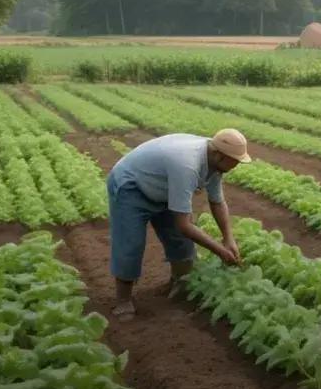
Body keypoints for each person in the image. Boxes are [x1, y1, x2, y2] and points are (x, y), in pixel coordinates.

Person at [107, 129, 251, 320]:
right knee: (131, 242)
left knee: (180, 241)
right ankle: (123, 300)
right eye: (235, 161)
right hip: (131, 184)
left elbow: (217, 202)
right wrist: (220, 251)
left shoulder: (215, 161)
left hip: (162, 186)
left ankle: (178, 284)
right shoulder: (187, 164)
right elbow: (185, 225)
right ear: (219, 155)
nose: (237, 165)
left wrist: (228, 239)